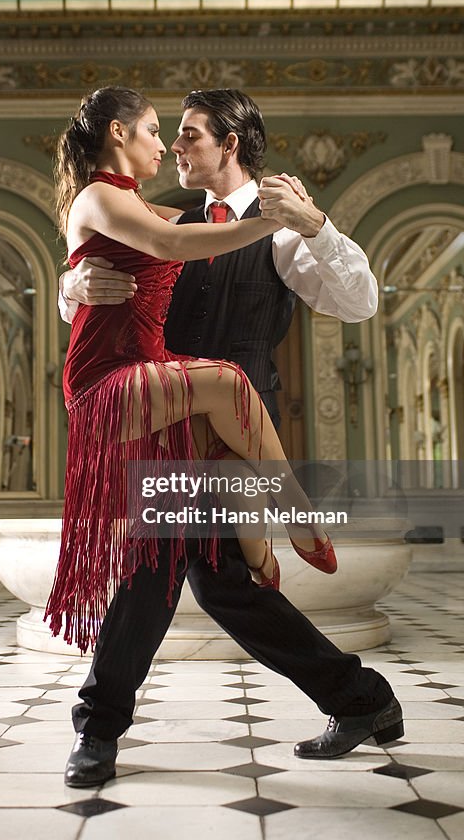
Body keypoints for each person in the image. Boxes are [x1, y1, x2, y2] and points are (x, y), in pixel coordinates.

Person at [57, 87, 403, 787]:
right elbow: (98, 300)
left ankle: (98, 729)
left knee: (179, 570)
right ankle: (360, 698)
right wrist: (76, 283)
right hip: (159, 414)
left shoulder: (282, 226)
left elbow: (358, 302)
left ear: (229, 145)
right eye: (168, 135)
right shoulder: (162, 218)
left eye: (187, 136)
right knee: (209, 579)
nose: (173, 149)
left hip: (236, 427)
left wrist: (316, 227)